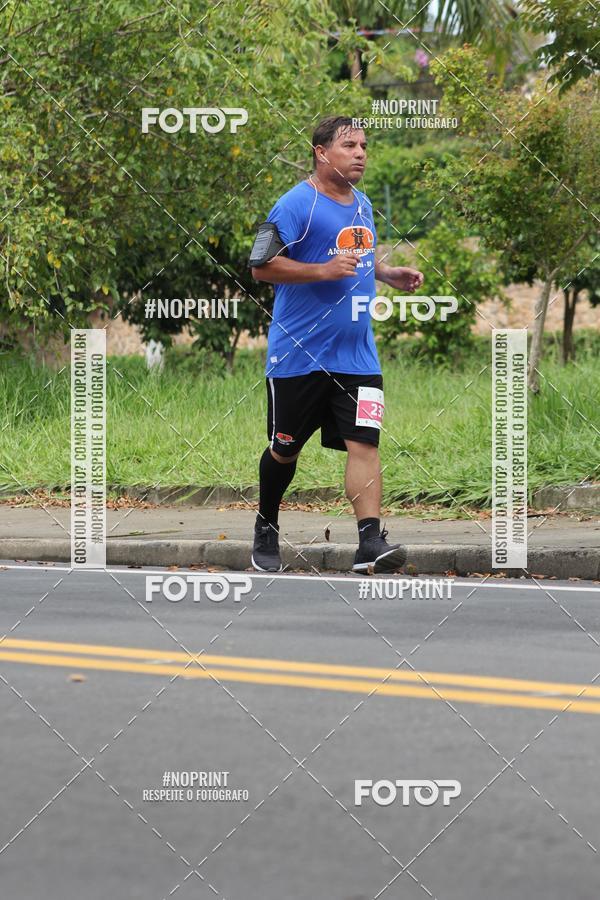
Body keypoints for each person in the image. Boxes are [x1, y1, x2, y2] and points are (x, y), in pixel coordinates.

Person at [249, 115, 424, 573]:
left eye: (364, 145)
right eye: (349, 145)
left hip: (358, 356)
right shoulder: (293, 205)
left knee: (365, 444)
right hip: (299, 356)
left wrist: (387, 273)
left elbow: (357, 259)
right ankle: (266, 525)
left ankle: (370, 543)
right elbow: (260, 267)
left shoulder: (363, 204)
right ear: (321, 152)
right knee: (285, 449)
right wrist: (320, 271)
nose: (361, 153)